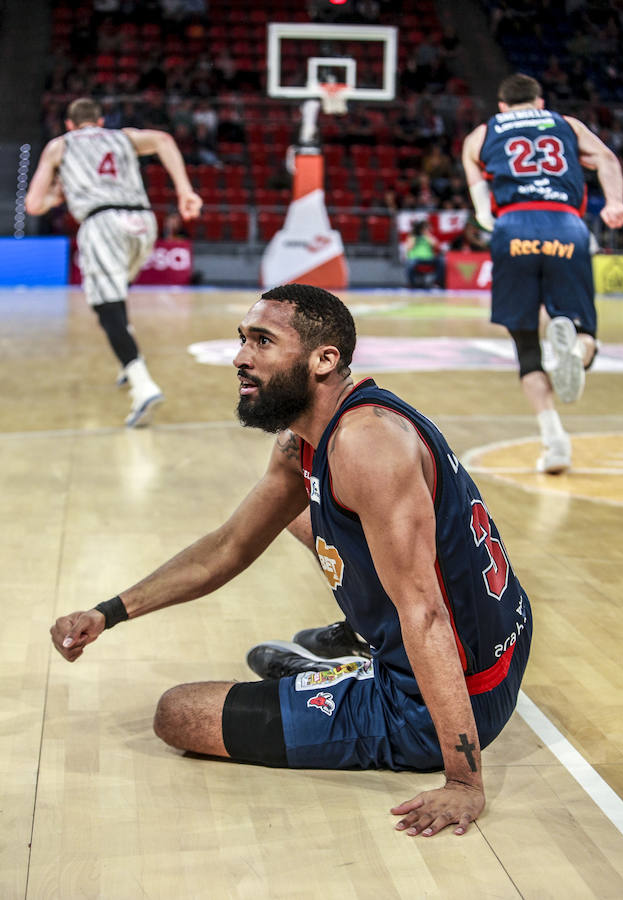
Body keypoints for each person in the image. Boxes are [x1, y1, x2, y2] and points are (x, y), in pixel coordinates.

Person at [50, 283, 532, 838]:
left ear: (324, 360)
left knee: (178, 713)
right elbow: (229, 546)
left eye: (262, 342)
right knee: (300, 515)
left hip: (445, 699)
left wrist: (463, 781)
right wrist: (108, 613)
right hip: (507, 636)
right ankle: (357, 653)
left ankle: (354, 670)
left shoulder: (366, 446)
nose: (240, 357)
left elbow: (425, 614)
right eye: (242, 339)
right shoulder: (320, 432)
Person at [461, 73, 623, 474]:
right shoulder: (566, 124)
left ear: (502, 106)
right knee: (583, 327)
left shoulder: (481, 134)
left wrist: (488, 220)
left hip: (513, 226)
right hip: (565, 224)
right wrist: (615, 202)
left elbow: (479, 194)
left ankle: (555, 443)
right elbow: (607, 159)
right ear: (540, 103)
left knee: (525, 345)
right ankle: (578, 351)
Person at [25, 97, 203, 427]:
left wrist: (55, 195)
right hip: (142, 223)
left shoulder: (60, 146)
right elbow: (164, 140)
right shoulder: (123, 136)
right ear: (101, 121)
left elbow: (34, 205)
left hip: (101, 222)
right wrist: (184, 191)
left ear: (69, 125)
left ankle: (142, 384)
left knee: (106, 308)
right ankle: (127, 360)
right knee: (116, 296)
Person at [404, 219, 445, 289]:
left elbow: (436, 245)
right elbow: (409, 247)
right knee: (410, 263)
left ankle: (436, 282)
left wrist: (427, 235)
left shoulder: (429, 236)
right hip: (416, 258)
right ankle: (412, 284)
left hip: (429, 258)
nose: (426, 230)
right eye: (424, 228)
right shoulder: (413, 236)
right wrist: (414, 236)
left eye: (426, 228)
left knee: (441, 260)